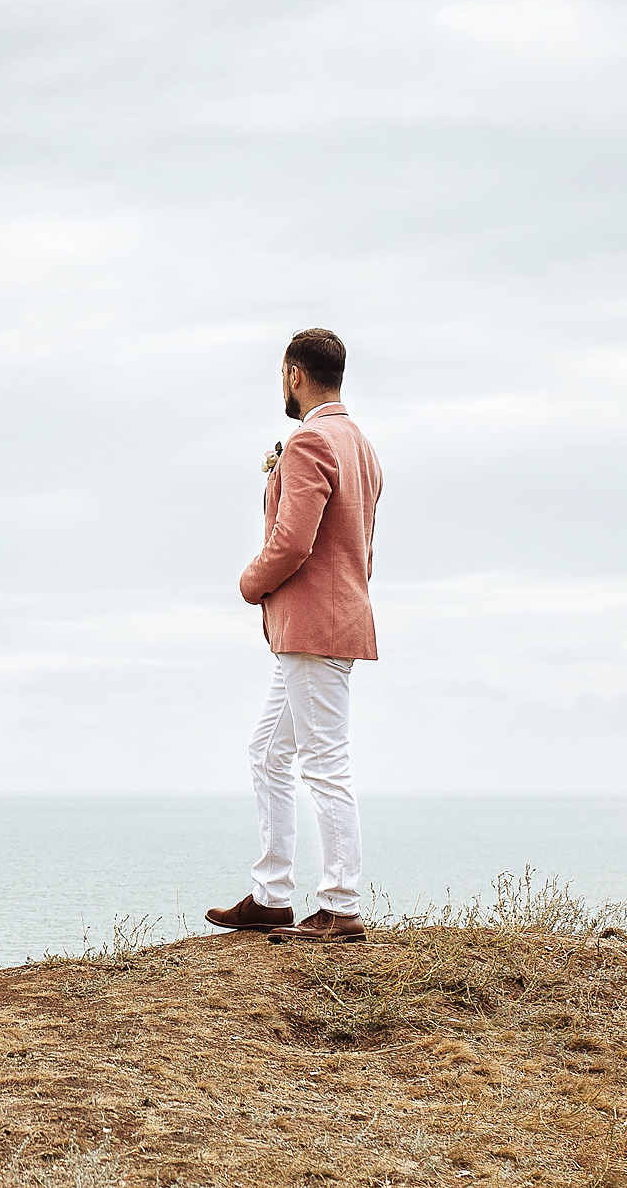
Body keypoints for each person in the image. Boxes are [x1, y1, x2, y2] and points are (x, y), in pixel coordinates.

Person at [205, 327, 383, 943]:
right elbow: (360, 546)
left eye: (282, 375)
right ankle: (271, 895)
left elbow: (292, 542)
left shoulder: (310, 442)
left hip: (313, 627)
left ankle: (340, 904)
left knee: (325, 763)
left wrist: (249, 583)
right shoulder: (360, 445)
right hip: (332, 621)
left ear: (294, 375)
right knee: (267, 752)